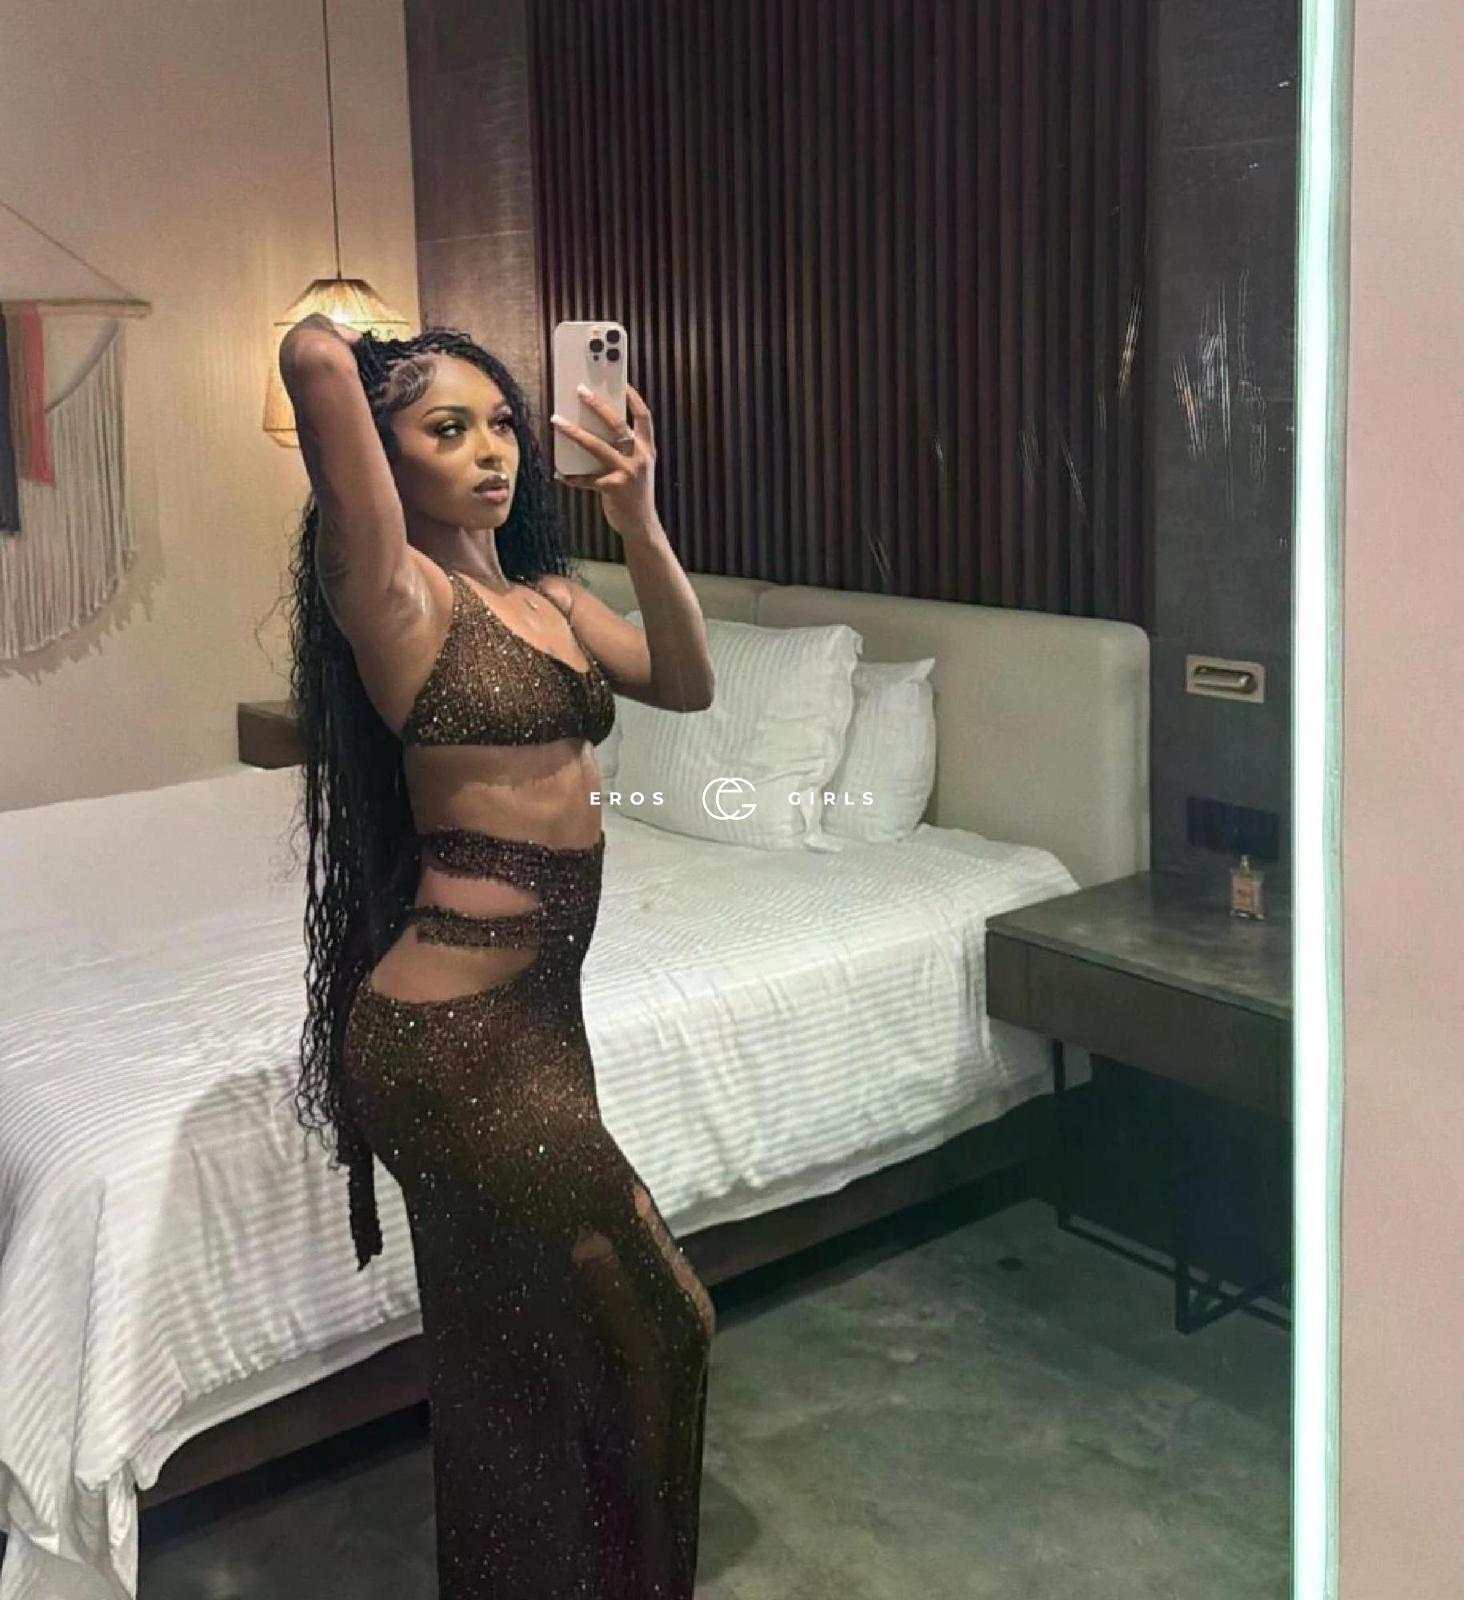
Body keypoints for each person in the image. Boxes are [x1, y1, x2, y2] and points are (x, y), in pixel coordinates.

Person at [279, 314, 718, 1598]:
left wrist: (636, 514)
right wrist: (365, 358)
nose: (492, 451)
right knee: (667, 1324)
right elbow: (309, 355)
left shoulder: (555, 599)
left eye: (504, 423)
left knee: (506, 1355)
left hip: (540, 1025)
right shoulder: (396, 595)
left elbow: (688, 681)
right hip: (449, 1043)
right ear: (386, 456)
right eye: (448, 428)